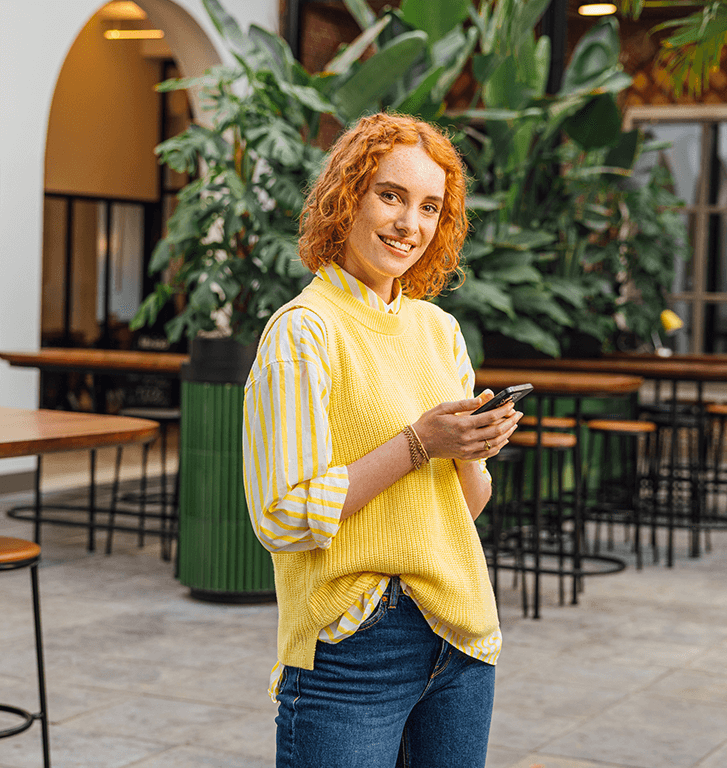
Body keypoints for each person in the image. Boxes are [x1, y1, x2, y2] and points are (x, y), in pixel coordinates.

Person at [243, 112, 523, 767]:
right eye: (390, 195)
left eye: (429, 207)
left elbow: (460, 511)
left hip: (459, 635)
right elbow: (284, 515)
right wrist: (419, 444)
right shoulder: (302, 333)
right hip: (353, 643)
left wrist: (472, 450)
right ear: (347, 196)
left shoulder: (439, 331)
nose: (409, 224)